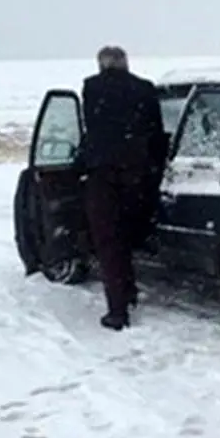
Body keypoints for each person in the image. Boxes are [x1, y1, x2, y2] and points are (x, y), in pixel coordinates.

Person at [80, 45, 168, 331]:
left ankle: (118, 310)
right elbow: (157, 134)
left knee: (109, 242)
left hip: (104, 176)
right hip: (139, 176)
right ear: (126, 64)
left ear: (101, 65)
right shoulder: (145, 89)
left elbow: (92, 130)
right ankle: (128, 291)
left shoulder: (92, 88)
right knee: (129, 234)